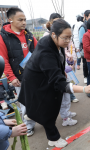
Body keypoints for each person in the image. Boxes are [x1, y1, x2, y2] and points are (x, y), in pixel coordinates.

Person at [18, 19, 90, 148]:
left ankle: (32, 113)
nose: (68, 41)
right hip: (37, 82)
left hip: (43, 79)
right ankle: (53, 138)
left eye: (70, 38)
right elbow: (59, 83)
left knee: (47, 106)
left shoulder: (54, 42)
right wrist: (84, 89)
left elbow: (57, 64)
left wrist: (61, 71)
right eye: (65, 38)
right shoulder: (46, 52)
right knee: (48, 110)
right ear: (54, 34)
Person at [0, 7, 37, 137]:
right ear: (10, 20)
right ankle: (28, 126)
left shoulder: (29, 35)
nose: (24, 22)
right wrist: (11, 77)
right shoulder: (3, 37)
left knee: (38, 99)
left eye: (25, 20)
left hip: (34, 74)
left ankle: (42, 119)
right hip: (19, 78)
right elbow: (3, 59)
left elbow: (38, 52)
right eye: (20, 20)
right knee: (25, 103)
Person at [79, 10, 90, 84]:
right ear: (85, 16)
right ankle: (85, 76)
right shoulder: (83, 26)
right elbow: (81, 39)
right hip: (85, 48)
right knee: (85, 63)